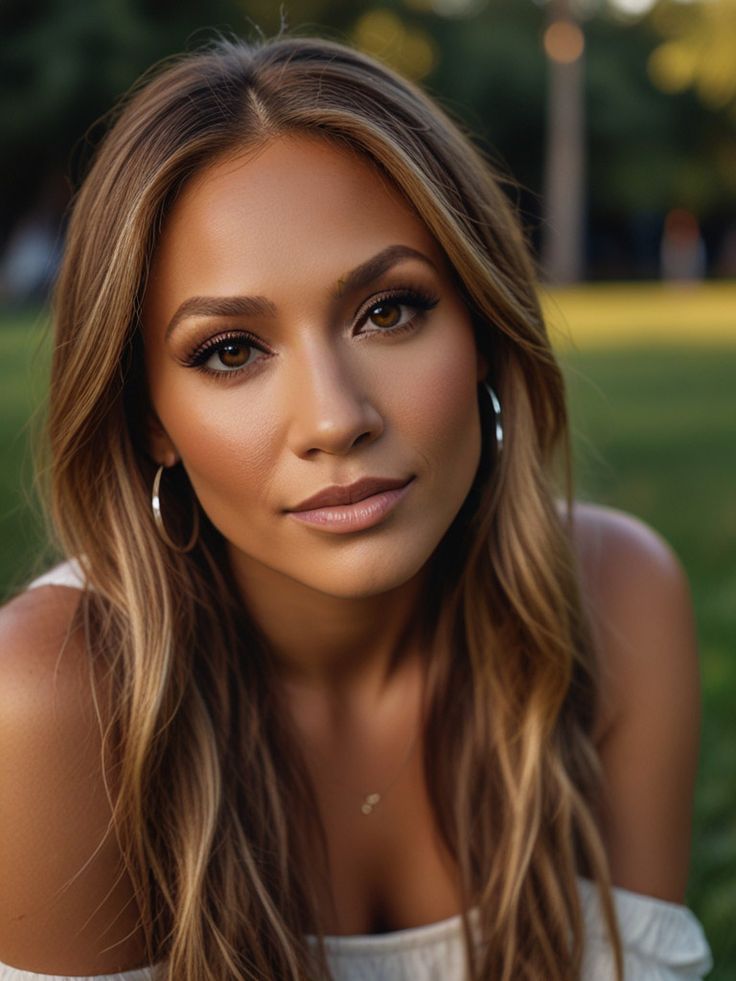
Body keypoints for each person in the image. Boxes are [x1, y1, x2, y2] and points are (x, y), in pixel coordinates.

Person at [0, 33, 713, 981]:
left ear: (485, 329)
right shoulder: (53, 701)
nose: (336, 418)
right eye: (229, 350)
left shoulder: (615, 600)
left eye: (389, 311)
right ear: (151, 419)